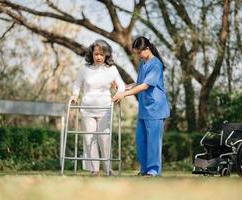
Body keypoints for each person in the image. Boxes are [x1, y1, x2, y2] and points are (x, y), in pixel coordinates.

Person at [113, 36, 170, 176]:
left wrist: (124, 95)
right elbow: (138, 83)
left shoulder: (156, 64)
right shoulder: (142, 64)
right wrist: (123, 88)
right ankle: (144, 169)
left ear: (147, 49)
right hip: (144, 110)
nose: (137, 55)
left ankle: (153, 171)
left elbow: (145, 86)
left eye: (139, 52)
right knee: (141, 141)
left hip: (156, 109)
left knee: (153, 143)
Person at [71, 39, 125, 176]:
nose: (99, 57)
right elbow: (77, 84)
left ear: (107, 55)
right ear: (92, 54)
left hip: (105, 109)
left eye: (102, 54)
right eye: (96, 54)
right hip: (87, 108)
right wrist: (75, 95)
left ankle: (108, 168)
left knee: (104, 138)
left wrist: (119, 94)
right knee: (89, 138)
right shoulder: (85, 69)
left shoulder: (112, 69)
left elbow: (122, 85)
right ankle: (94, 169)